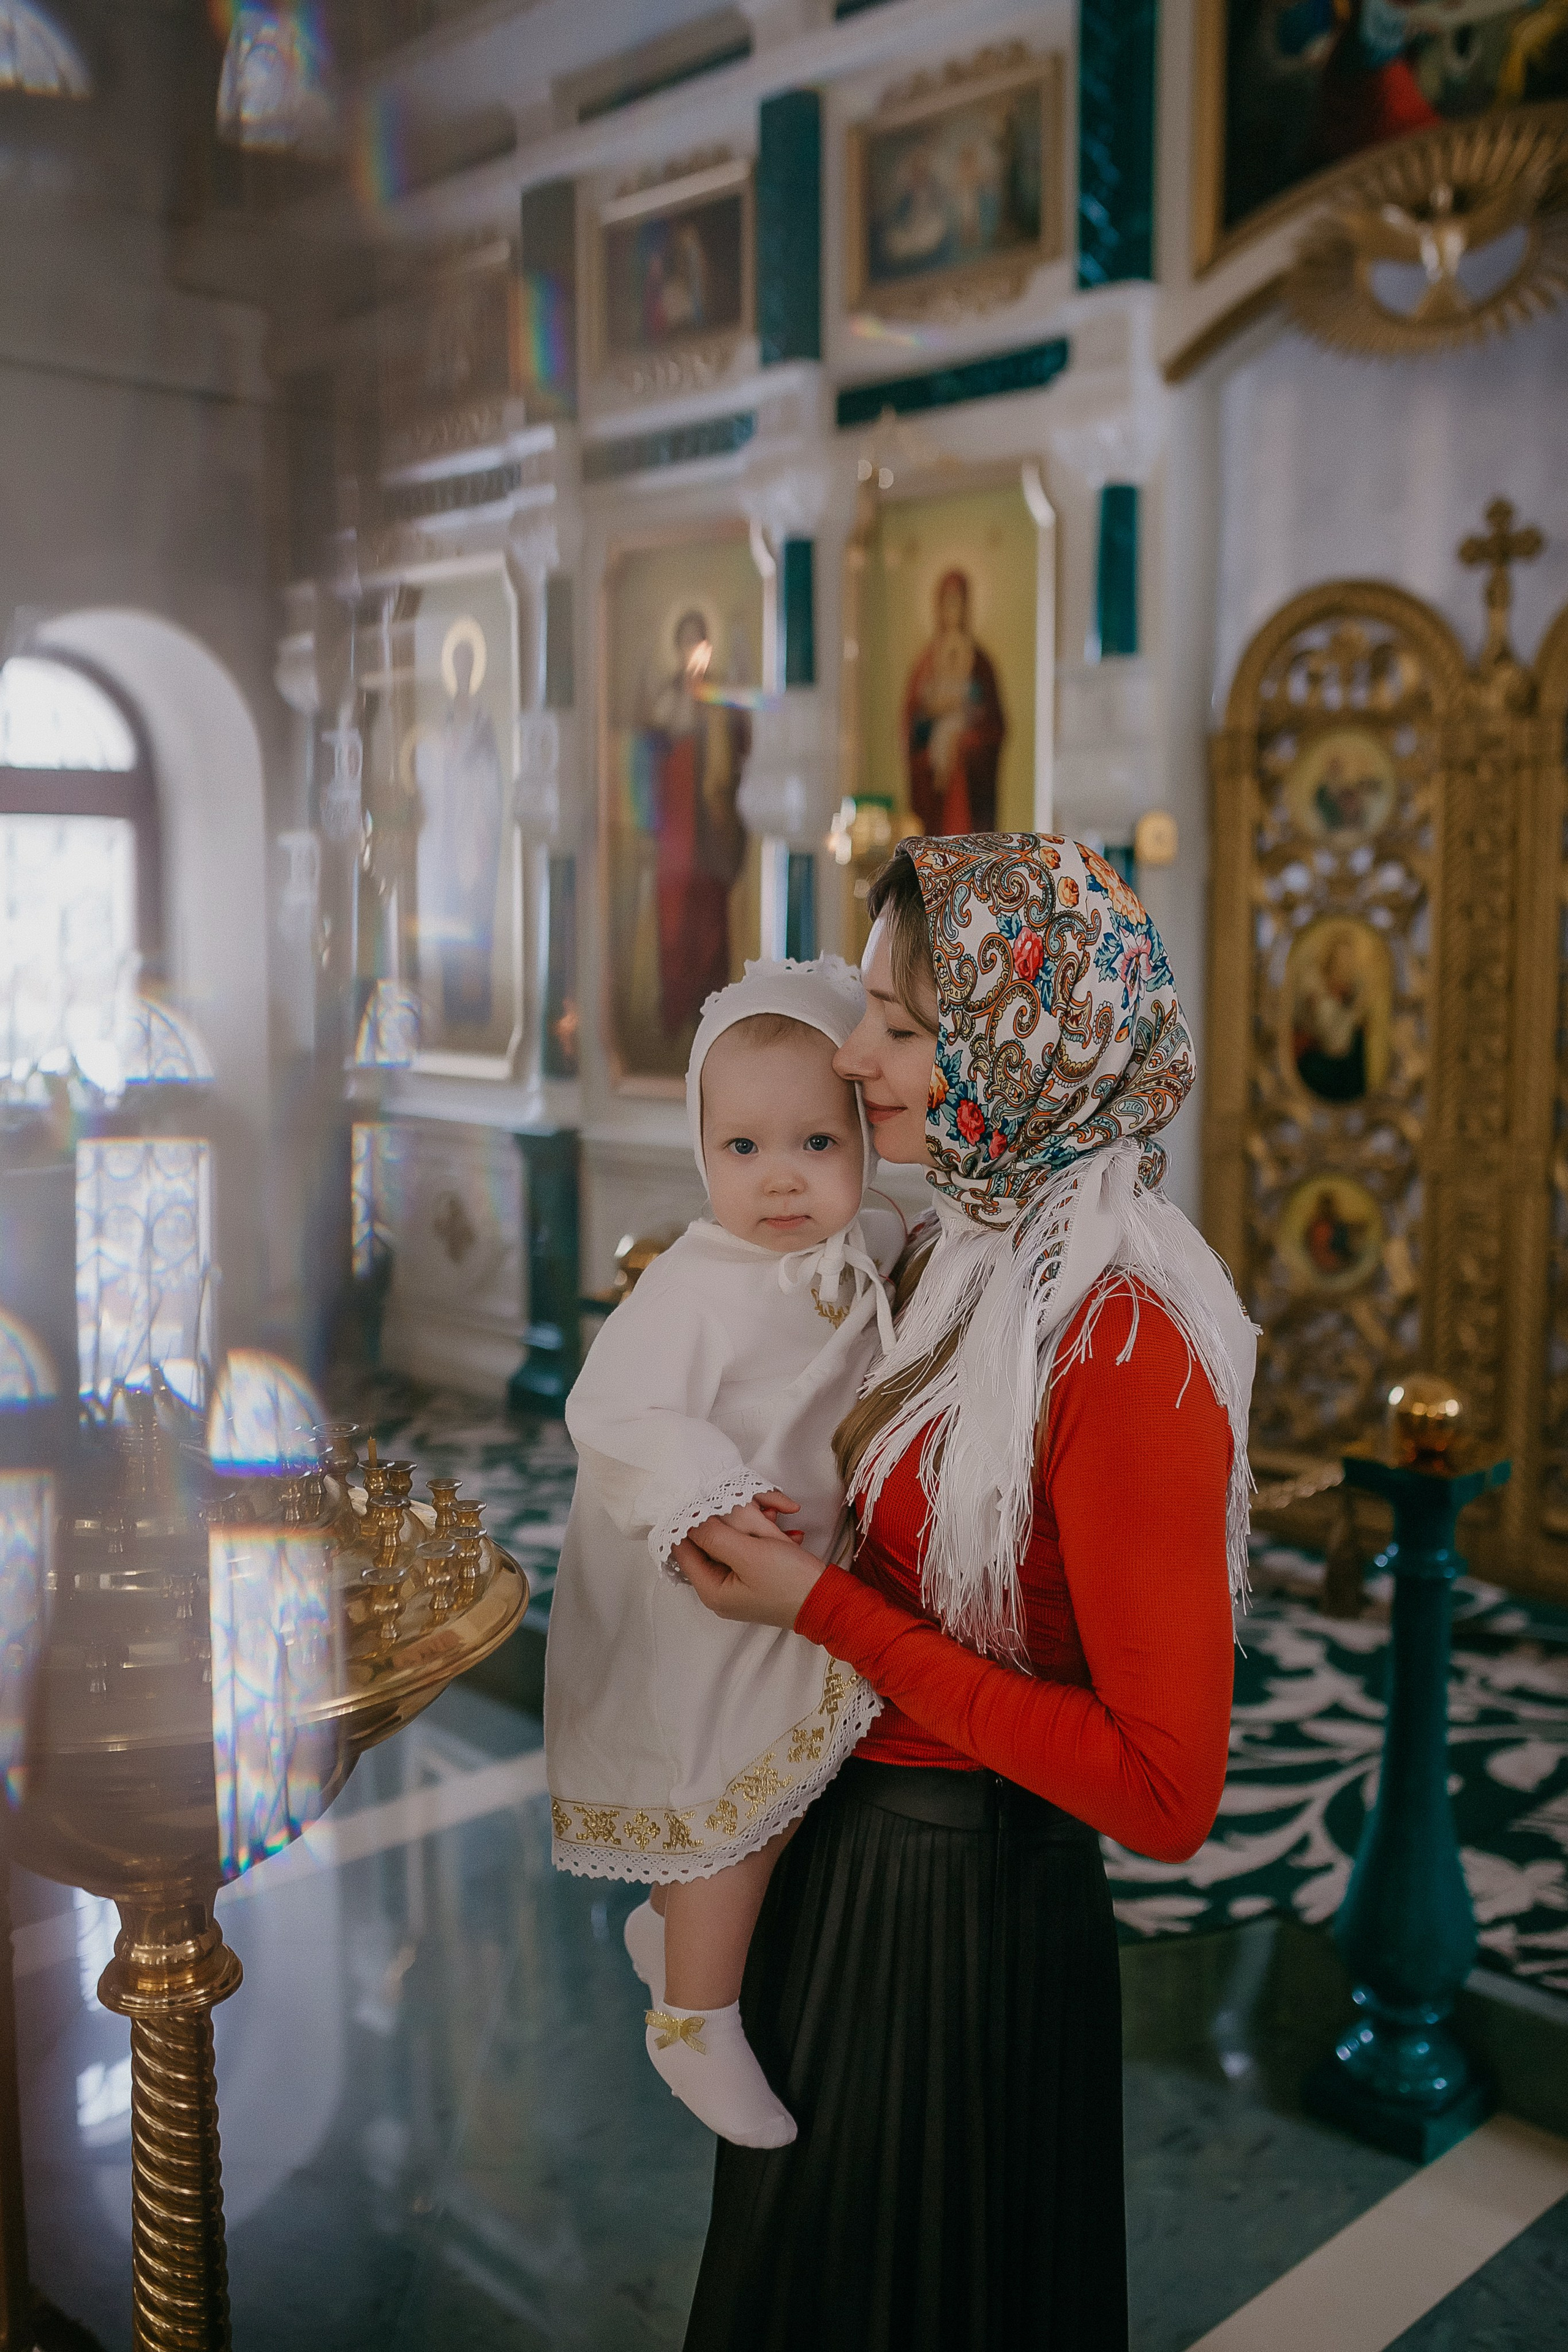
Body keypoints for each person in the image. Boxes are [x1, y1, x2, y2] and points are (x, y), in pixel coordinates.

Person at [671, 834, 1256, 2350]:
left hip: (961, 1913)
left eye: (910, 1029)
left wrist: (817, 1606)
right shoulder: (964, 1242)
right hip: (852, 1854)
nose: (858, 1056)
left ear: (1030, 1051)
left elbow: (1161, 1788)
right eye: (870, 1011)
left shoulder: (1121, 1342)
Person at [543, 957, 897, 2150]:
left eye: (814, 1141)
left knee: (779, 1787)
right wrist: (706, 1490)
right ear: (699, 1153)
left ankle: (670, 1929)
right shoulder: (693, 1286)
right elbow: (614, 1410)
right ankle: (693, 2018)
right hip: (712, 1580)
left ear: (864, 1138)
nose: (781, 1178)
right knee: (732, 1807)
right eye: (741, 1150)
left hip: (798, 1582)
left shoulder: (871, 1243)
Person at [902, 569, 1006, 836]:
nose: (953, 609)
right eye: (947, 602)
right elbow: (913, 722)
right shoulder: (926, 664)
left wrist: (968, 739)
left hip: (970, 773)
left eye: (958, 601)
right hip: (934, 776)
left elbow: (995, 724)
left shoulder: (980, 664)